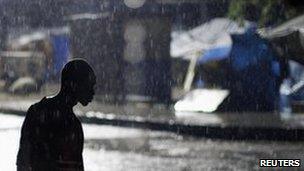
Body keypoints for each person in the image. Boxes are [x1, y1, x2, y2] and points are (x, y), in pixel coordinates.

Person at [16, 59, 96, 171]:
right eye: (89, 85)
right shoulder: (73, 125)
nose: (93, 92)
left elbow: (23, 159)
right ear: (75, 85)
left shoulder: (37, 111)